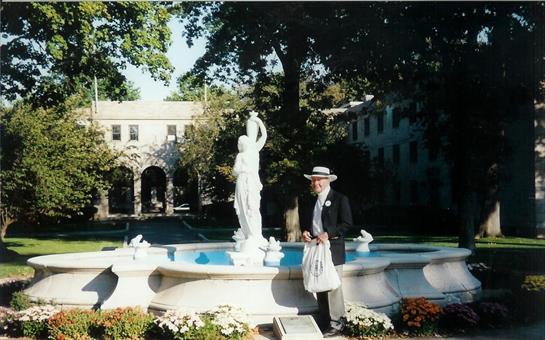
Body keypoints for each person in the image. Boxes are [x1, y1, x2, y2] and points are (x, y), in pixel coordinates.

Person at [300, 166, 353, 337]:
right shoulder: (311, 201)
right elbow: (311, 223)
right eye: (313, 180)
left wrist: (328, 234)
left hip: (333, 250)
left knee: (332, 287)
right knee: (319, 285)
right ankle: (325, 321)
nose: (315, 182)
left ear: (328, 180)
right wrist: (306, 232)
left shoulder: (339, 199)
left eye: (319, 179)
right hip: (316, 249)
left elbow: (347, 224)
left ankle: (338, 323)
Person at [233, 112, 267, 245]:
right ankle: (248, 233)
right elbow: (235, 170)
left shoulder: (255, 149)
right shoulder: (240, 156)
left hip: (251, 182)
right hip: (242, 181)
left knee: (252, 207)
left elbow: (264, 136)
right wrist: (244, 170)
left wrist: (258, 121)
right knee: (242, 208)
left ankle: (255, 234)